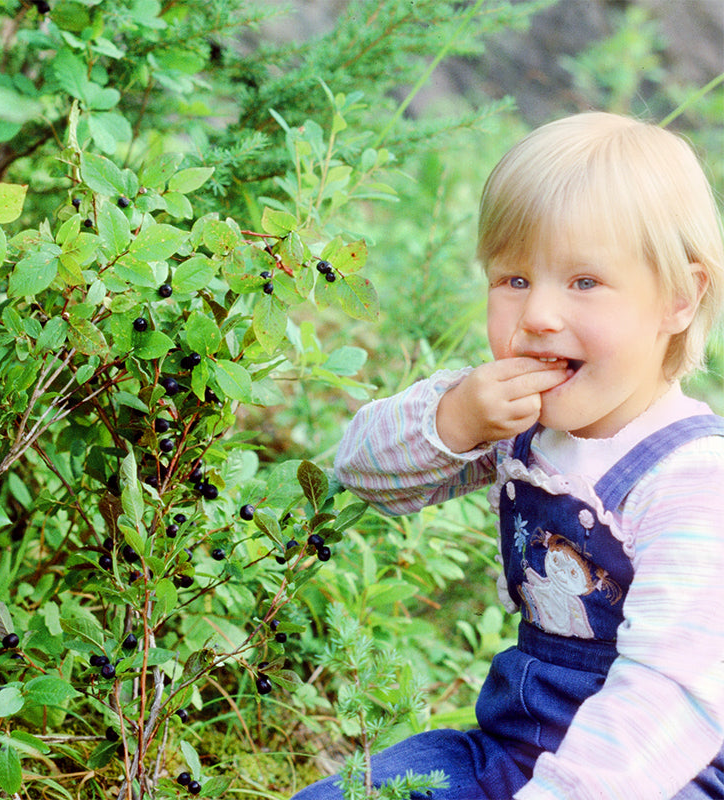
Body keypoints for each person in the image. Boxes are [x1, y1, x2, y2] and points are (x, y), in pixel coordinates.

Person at [291, 112, 724, 800]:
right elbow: (364, 474)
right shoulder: (515, 422)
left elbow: (668, 698)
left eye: (584, 282)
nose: (539, 316)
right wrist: (456, 417)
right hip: (508, 752)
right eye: (514, 279)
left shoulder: (691, 480)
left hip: (652, 775)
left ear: (680, 297)